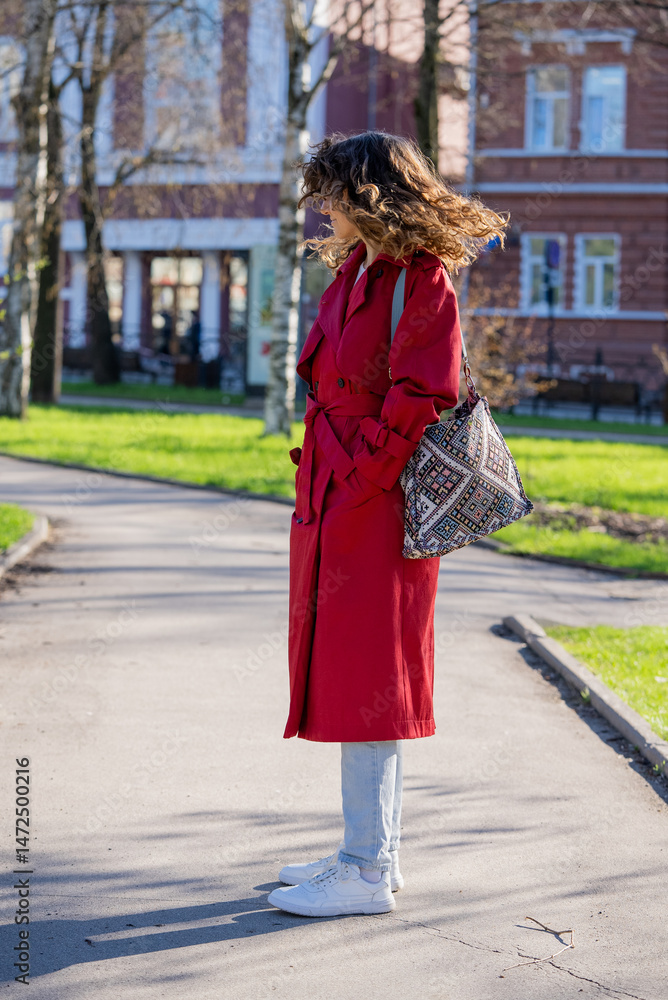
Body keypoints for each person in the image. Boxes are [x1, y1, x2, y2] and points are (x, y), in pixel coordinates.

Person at [267, 131, 507, 918]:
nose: (321, 206)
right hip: (333, 498)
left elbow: (422, 393)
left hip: (376, 506)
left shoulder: (419, 277)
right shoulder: (355, 272)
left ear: (367, 194)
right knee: (348, 672)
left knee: (369, 679)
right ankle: (372, 852)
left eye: (331, 192)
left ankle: (365, 870)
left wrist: (365, 475)